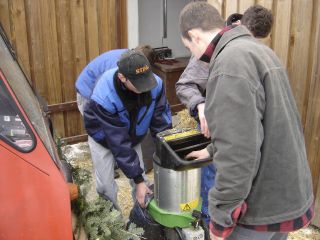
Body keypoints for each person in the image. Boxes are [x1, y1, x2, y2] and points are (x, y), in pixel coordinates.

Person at [179, 2, 313, 240]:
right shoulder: (256, 51)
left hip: (260, 205)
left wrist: (221, 220)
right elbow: (254, 125)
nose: (193, 55)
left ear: (194, 36)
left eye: (188, 46)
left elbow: (239, 152)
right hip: (282, 197)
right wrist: (211, 150)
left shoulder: (229, 64)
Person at [175, 5, 273, 225]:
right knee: (213, 183)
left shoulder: (249, 51)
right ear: (240, 27)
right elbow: (185, 85)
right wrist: (200, 105)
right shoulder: (219, 52)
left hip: (237, 140)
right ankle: (209, 221)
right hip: (216, 131)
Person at [83, 50, 172, 210]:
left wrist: (168, 150)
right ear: (122, 77)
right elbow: (118, 142)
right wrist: (137, 179)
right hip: (102, 136)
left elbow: (160, 119)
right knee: (106, 186)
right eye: (139, 83)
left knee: (141, 180)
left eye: (146, 79)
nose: (145, 87)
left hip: (133, 134)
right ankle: (114, 225)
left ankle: (141, 218)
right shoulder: (104, 96)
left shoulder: (155, 84)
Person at [76, 45, 154, 178]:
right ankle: (105, 171)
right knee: (102, 132)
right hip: (89, 94)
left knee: (117, 133)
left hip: (100, 92)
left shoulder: (130, 62)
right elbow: (100, 97)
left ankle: (120, 161)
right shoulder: (118, 69)